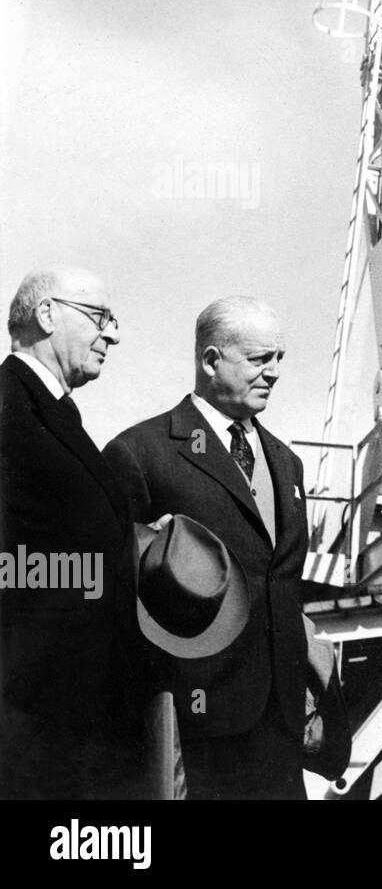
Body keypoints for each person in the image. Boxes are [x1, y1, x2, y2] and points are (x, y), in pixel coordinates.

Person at [104, 296, 310, 799]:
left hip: (280, 729)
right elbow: (104, 602)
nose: (275, 373)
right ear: (211, 360)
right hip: (191, 730)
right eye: (260, 359)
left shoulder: (288, 464)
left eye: (280, 358)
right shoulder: (139, 453)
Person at [0, 265, 147, 798]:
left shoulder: (54, 414)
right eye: (99, 317)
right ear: (46, 315)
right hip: (34, 722)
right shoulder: (10, 408)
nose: (113, 333)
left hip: (72, 717)